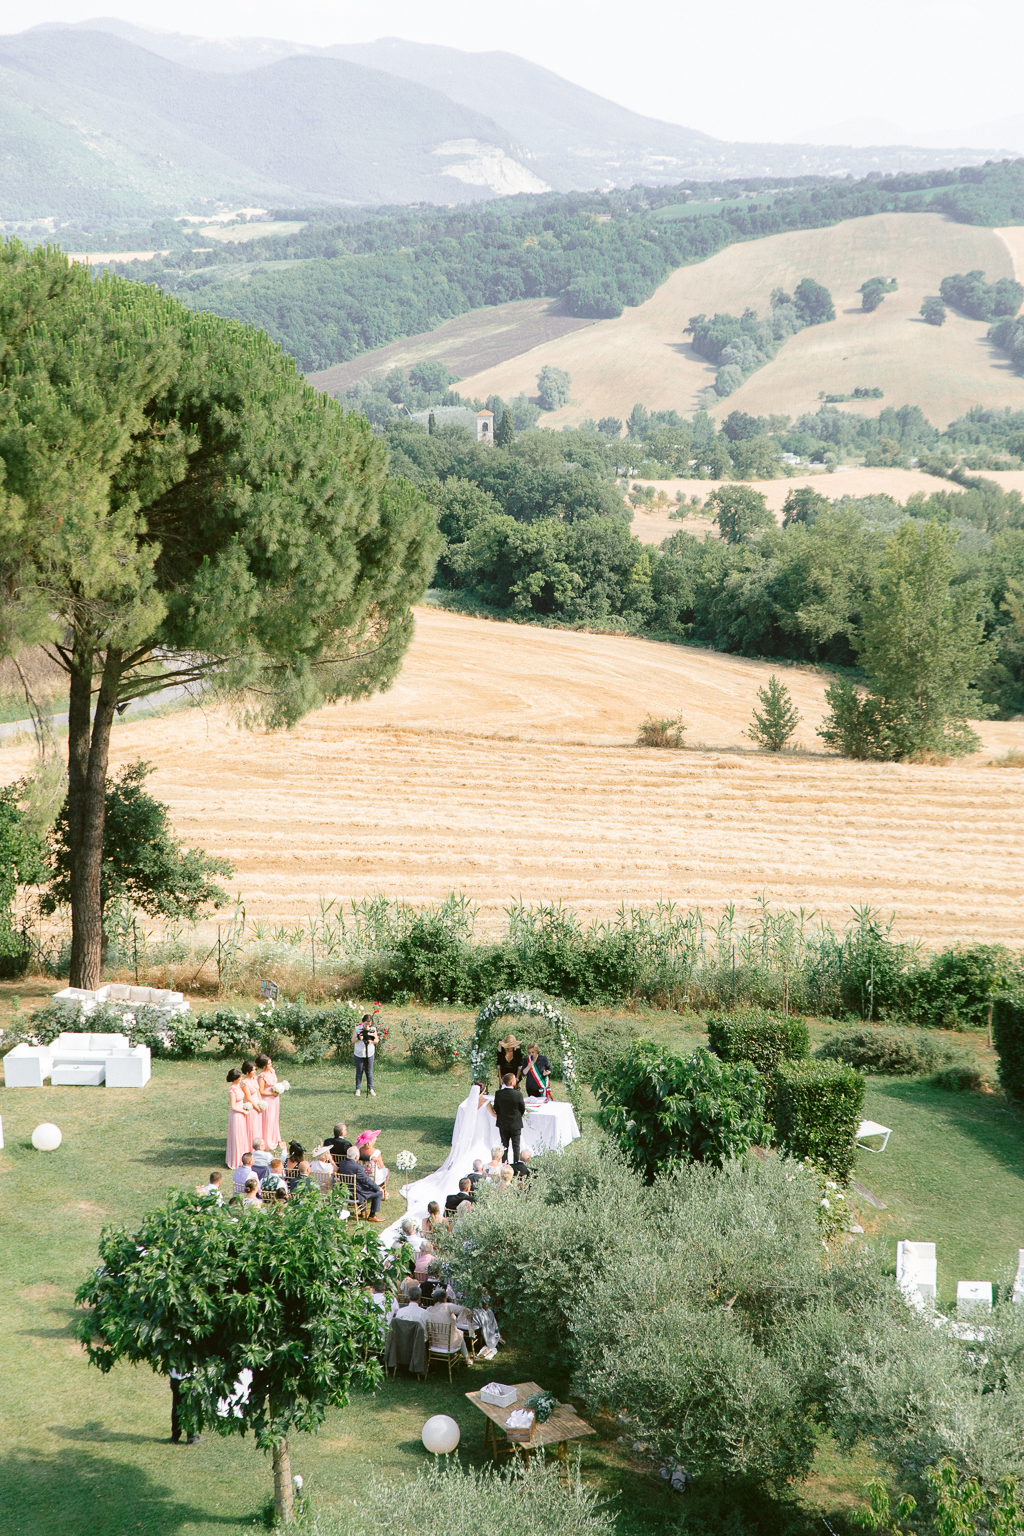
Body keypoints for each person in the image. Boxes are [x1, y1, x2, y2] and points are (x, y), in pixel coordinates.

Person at [335, 1149, 384, 1220]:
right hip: (356, 1194)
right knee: (378, 1193)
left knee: (360, 1187)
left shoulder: (342, 1163)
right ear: (356, 1157)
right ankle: (372, 1216)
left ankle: (363, 1211)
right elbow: (366, 1180)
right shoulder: (357, 1168)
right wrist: (378, 1188)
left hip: (345, 1192)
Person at [493, 1072, 527, 1167]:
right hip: (515, 1123)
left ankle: (504, 1164)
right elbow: (522, 1108)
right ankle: (516, 1165)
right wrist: (517, 1115)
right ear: (512, 1082)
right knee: (516, 1146)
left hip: (503, 1123)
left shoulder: (498, 1094)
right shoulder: (518, 1095)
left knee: (504, 1146)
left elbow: (496, 1107)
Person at [225, 1068, 253, 1169]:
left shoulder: (238, 1087)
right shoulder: (232, 1090)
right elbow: (233, 1106)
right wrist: (244, 1111)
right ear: (235, 1078)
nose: (241, 1078)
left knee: (242, 1134)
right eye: (239, 1077)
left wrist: (246, 1106)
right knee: (237, 1135)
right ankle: (236, 1159)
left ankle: (243, 1156)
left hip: (241, 1113)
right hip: (236, 1115)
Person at [255, 1055, 282, 1150]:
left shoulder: (272, 1071)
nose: (271, 1065)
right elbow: (261, 1091)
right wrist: (272, 1093)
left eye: (270, 1063)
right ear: (263, 1066)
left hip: (274, 1099)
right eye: (268, 1063)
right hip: (267, 1099)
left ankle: (275, 1137)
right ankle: (267, 1140)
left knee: (274, 1118)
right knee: (268, 1119)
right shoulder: (262, 1076)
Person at [240, 1060, 266, 1144]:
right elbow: (248, 1097)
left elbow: (258, 1091)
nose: (255, 1071)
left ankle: (259, 1144)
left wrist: (261, 1103)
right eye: (253, 1070)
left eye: (255, 1069)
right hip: (252, 1106)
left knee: (258, 1125)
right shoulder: (245, 1083)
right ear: (247, 1072)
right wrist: (257, 1108)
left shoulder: (254, 1078)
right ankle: (252, 1144)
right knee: (252, 1126)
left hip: (258, 1103)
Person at [355, 1130, 389, 1196]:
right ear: (372, 1141)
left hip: (362, 1175)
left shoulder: (359, 1150)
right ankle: (382, 1189)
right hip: (373, 1177)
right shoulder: (376, 1152)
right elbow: (381, 1166)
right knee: (387, 1170)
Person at [352, 1013, 379, 1097]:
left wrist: (371, 1041)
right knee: (359, 1072)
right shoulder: (357, 1029)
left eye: (369, 1023)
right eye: (366, 1023)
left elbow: (377, 1040)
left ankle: (371, 1088)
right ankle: (358, 1089)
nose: (368, 1025)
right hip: (359, 1053)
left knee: (369, 1071)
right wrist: (358, 1038)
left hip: (369, 1053)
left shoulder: (373, 1029)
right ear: (363, 1021)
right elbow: (353, 1040)